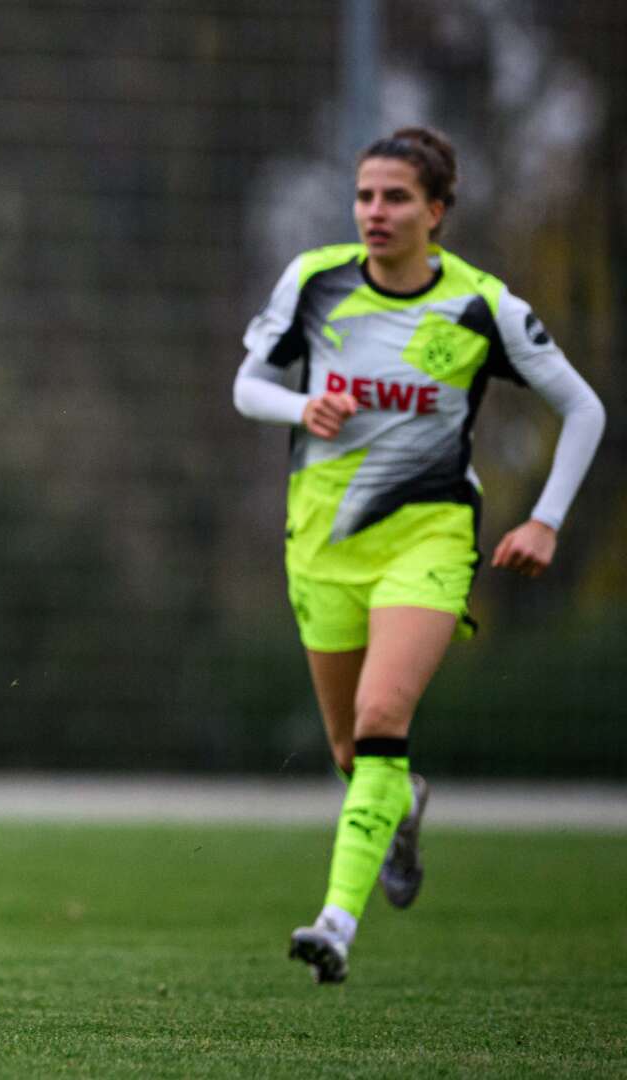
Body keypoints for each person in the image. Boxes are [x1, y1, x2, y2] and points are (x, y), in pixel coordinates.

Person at [233, 126, 605, 984]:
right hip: (322, 545)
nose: (375, 212)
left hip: (431, 538)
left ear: (436, 212)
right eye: (365, 195)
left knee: (381, 724)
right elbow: (247, 385)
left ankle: (334, 923)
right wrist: (302, 408)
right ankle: (401, 803)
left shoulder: (482, 307)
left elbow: (583, 409)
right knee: (351, 753)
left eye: (396, 197)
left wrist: (545, 519)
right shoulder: (315, 280)